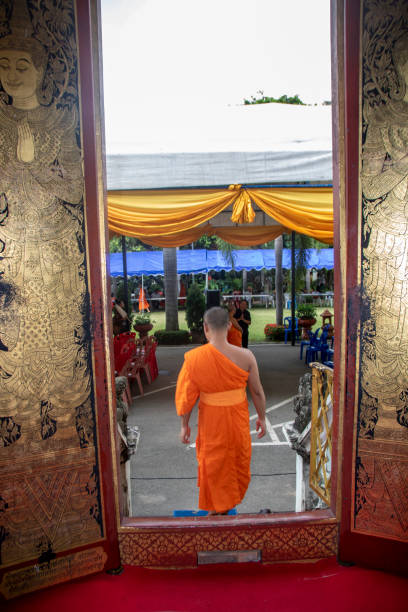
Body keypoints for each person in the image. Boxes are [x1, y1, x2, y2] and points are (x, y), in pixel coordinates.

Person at [175, 307, 266, 515]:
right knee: (235, 463)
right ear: (228, 326)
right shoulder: (246, 356)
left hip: (212, 422)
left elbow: (187, 397)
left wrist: (184, 425)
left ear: (205, 328)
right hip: (237, 420)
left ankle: (218, 512)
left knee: (214, 464)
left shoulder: (194, 358)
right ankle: (221, 511)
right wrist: (262, 417)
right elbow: (258, 393)